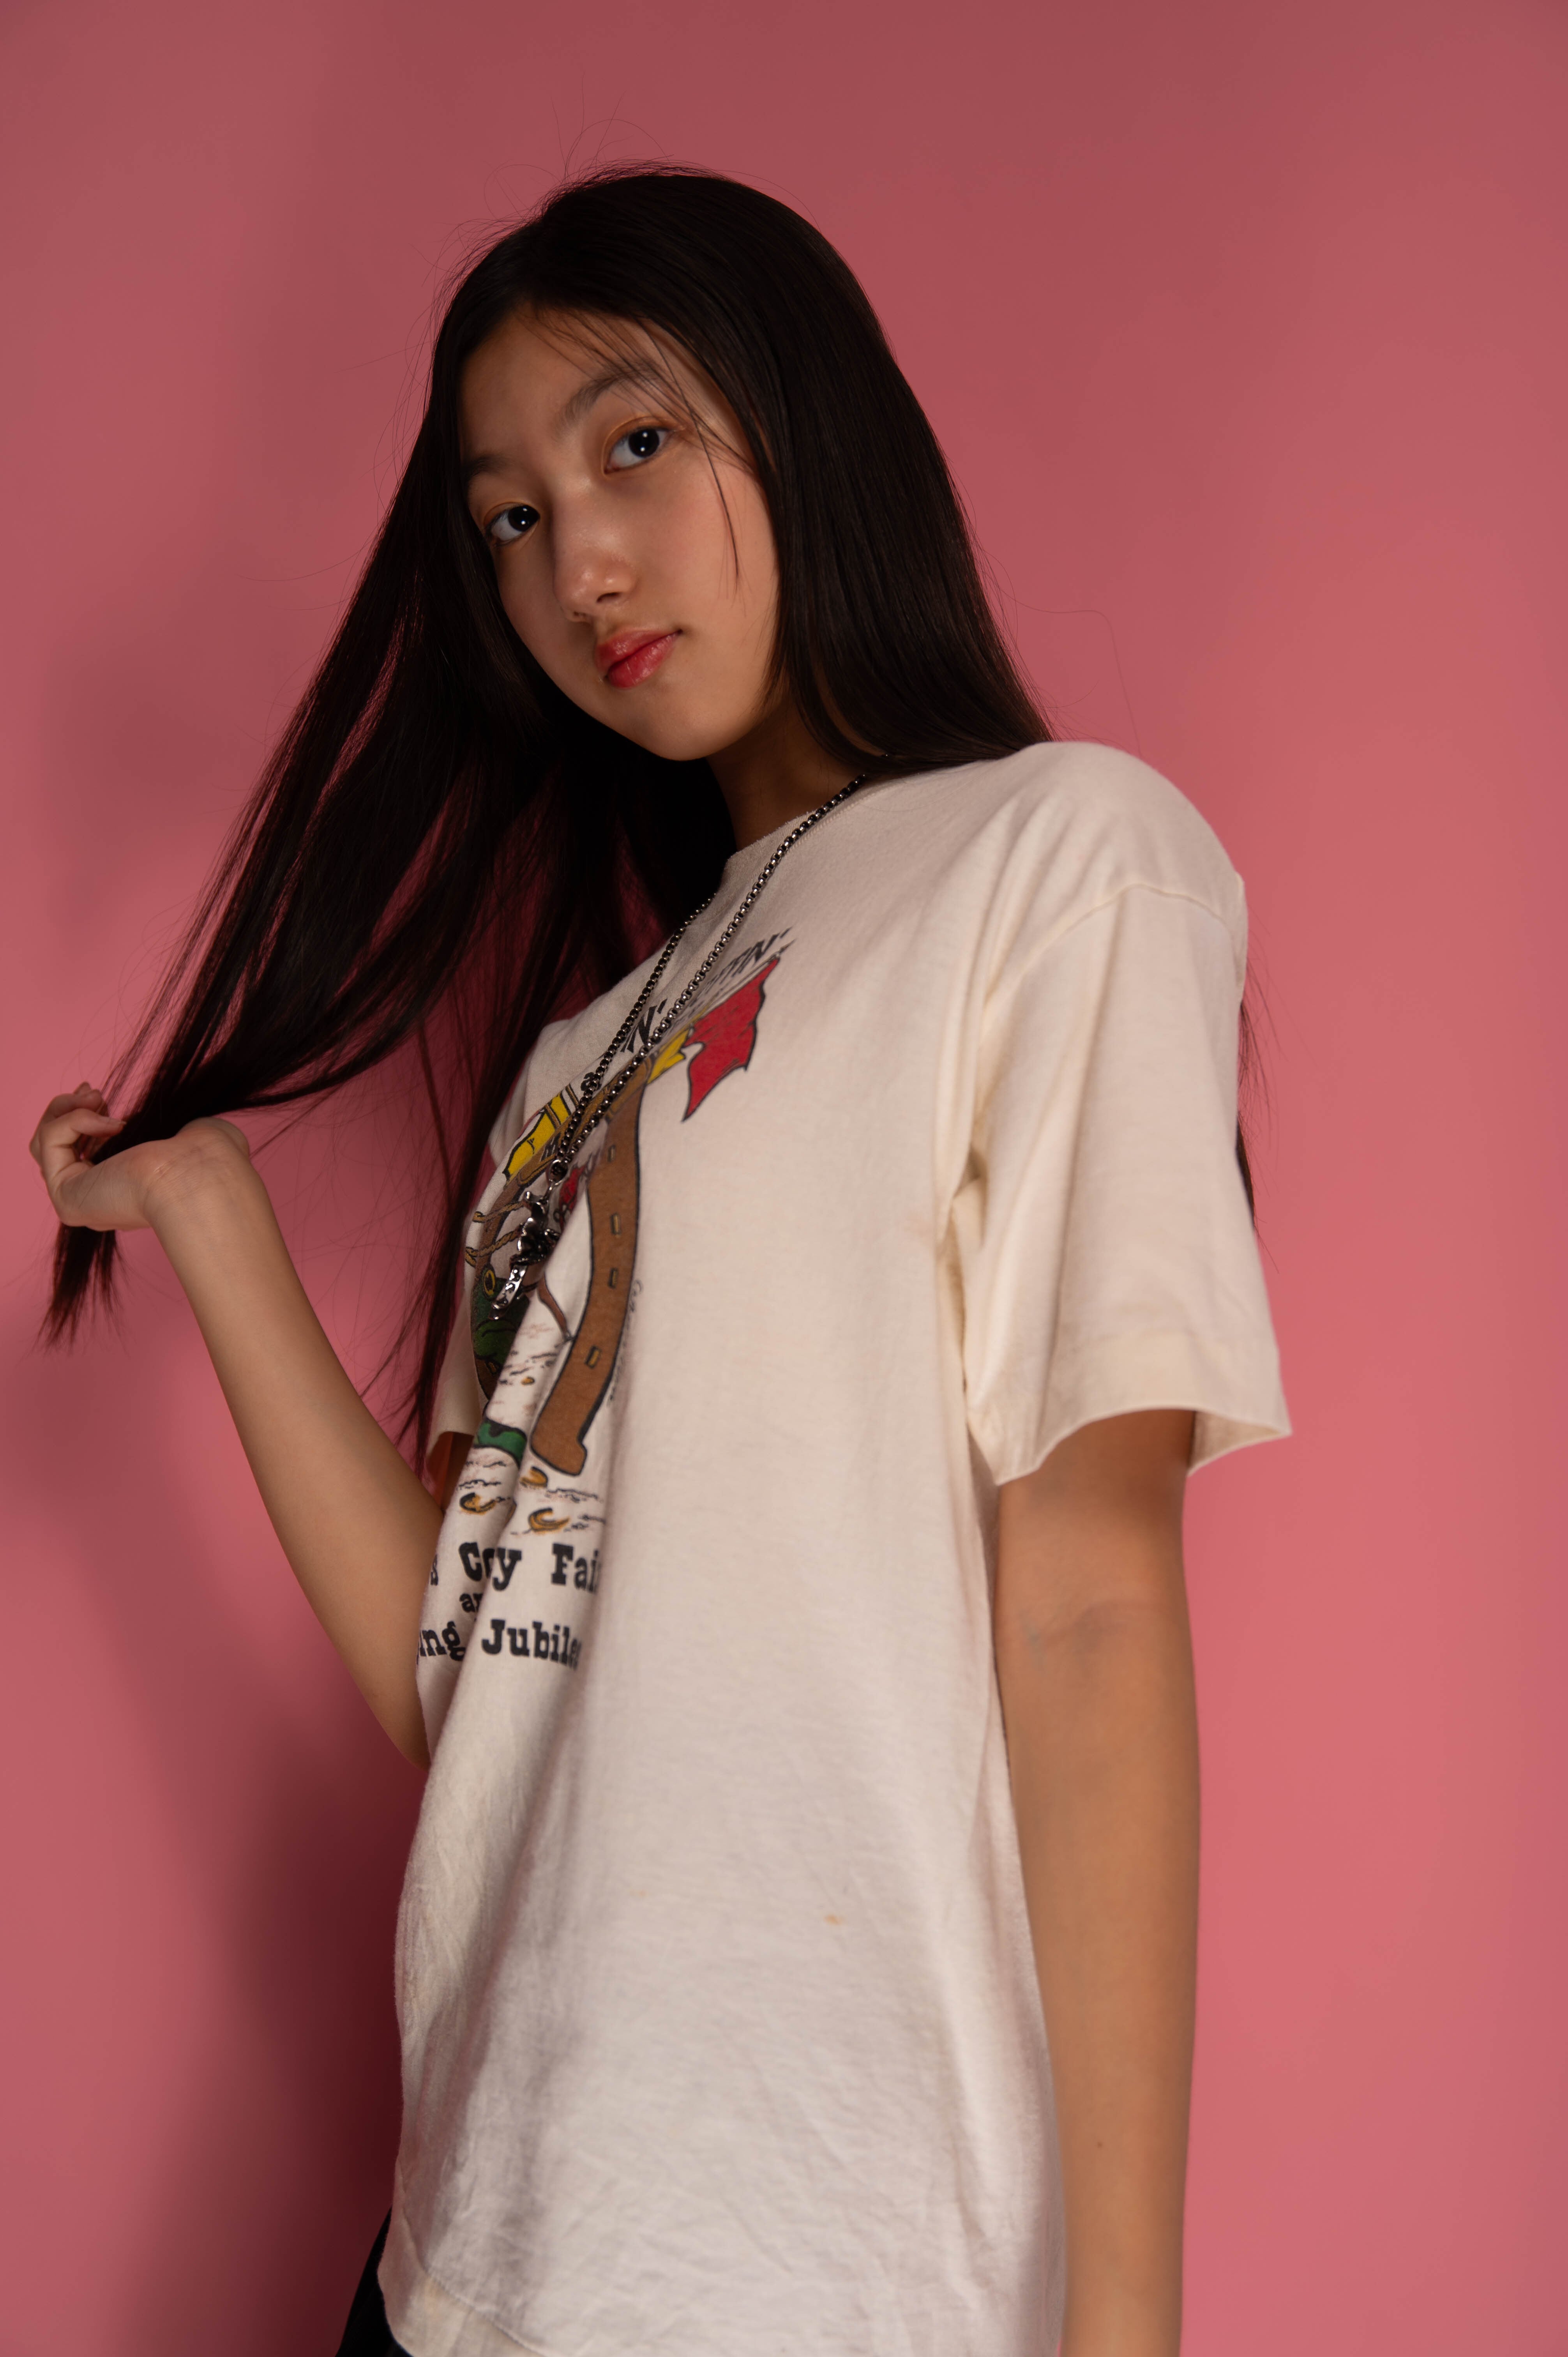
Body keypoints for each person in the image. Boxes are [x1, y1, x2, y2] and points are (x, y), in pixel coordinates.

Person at [32, 166, 1287, 2357]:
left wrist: (1126, 2333)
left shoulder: (1063, 855)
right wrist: (220, 1226)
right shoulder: (579, 1054)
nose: (577, 566)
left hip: (815, 2266)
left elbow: (1089, 1590)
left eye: (633, 444)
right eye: (510, 517)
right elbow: (479, 1669)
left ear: (810, 420)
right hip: (473, 2245)